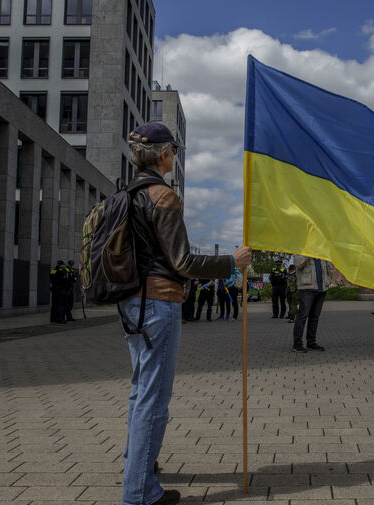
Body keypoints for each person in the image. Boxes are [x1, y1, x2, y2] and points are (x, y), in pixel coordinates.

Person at [119, 121, 251, 505]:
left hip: (130, 303)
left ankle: (136, 464)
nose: (175, 157)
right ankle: (139, 492)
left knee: (139, 391)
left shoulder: (127, 193)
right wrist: (232, 260)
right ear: (162, 154)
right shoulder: (163, 196)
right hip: (158, 303)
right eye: (174, 150)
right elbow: (183, 261)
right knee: (154, 397)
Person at [291, 254, 333, 352]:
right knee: (302, 316)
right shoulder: (300, 249)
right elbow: (298, 264)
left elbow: (329, 267)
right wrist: (308, 252)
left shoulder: (321, 249)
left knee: (315, 317)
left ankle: (311, 342)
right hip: (307, 288)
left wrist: (328, 281)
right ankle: (297, 344)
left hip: (322, 288)